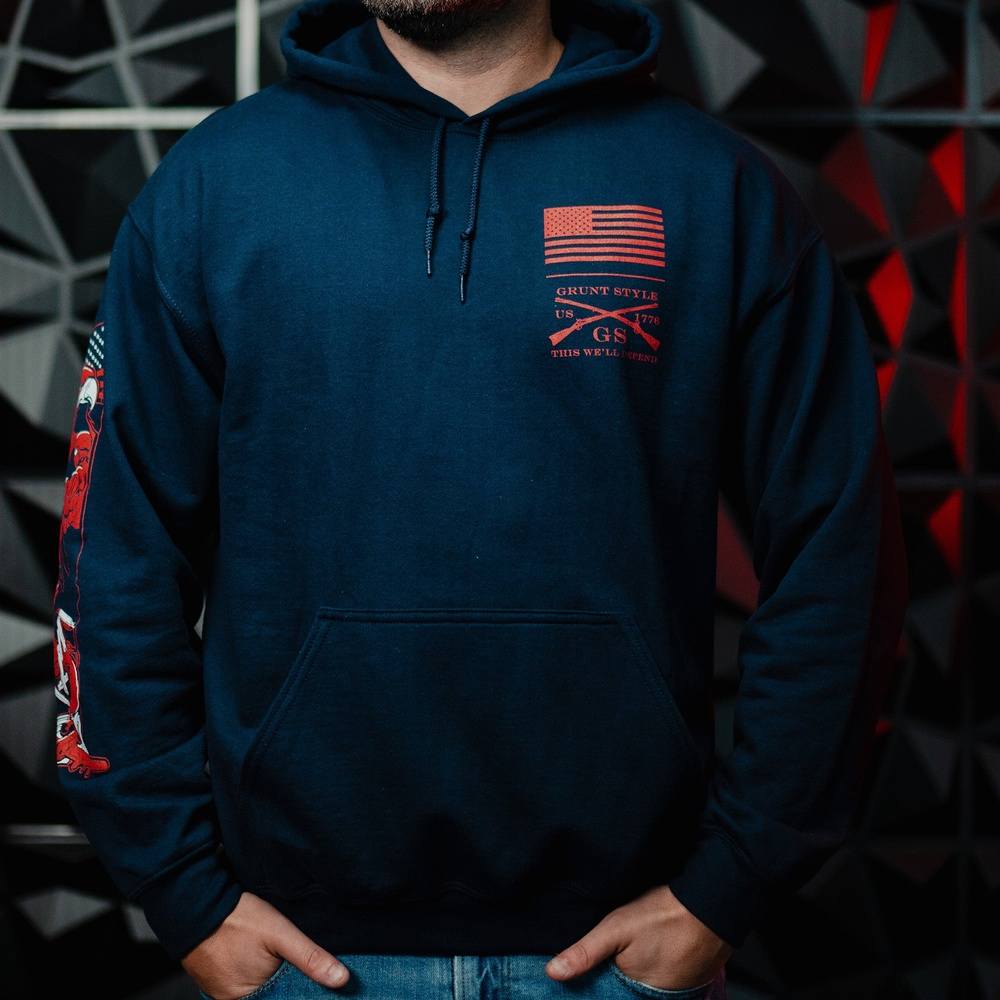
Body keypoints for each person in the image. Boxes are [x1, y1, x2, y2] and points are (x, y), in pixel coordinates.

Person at [50, 0, 909, 997]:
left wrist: (734, 880)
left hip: (621, 955)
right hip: (300, 954)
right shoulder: (217, 187)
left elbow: (840, 547)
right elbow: (112, 552)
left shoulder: (712, 189)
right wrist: (182, 889)